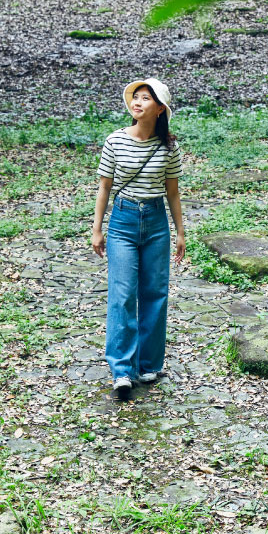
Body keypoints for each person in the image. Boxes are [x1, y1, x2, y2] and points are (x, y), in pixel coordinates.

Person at [91, 78, 185, 398]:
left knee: (155, 292)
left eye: (146, 99)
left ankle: (148, 363)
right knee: (122, 293)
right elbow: (104, 186)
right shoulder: (114, 141)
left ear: (160, 109)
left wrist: (180, 233)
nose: (138, 102)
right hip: (123, 221)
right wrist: (97, 228)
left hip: (156, 221)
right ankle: (121, 370)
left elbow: (173, 193)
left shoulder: (169, 147)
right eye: (136, 98)